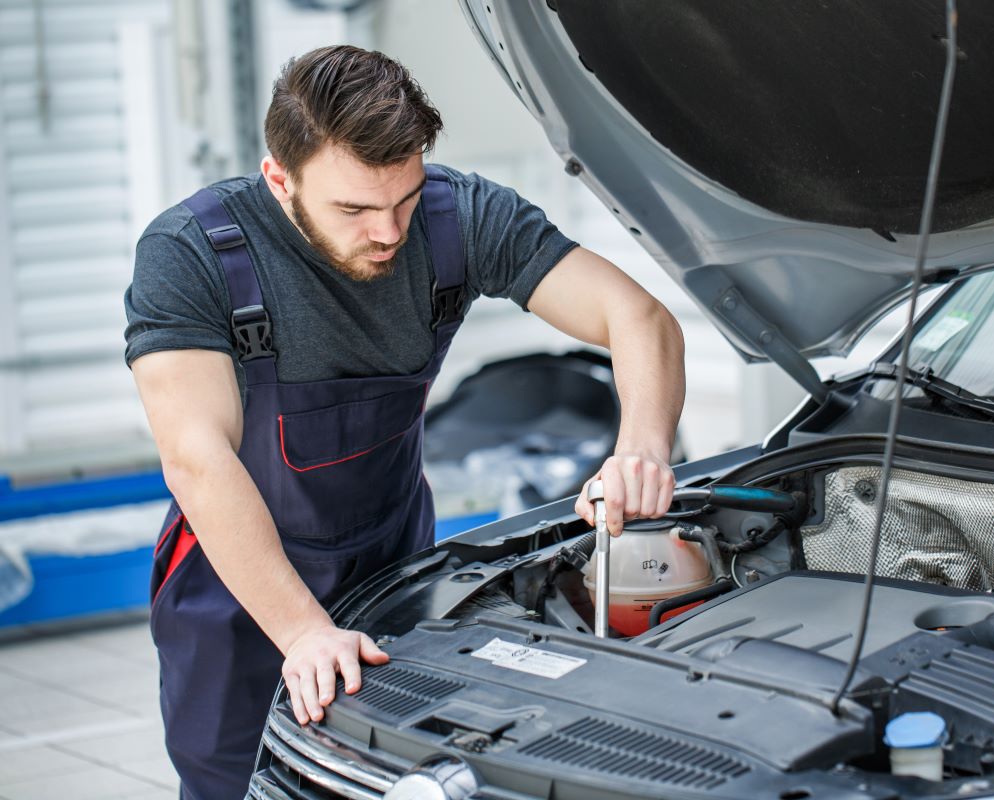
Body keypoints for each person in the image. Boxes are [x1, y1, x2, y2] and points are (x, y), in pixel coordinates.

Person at [123, 44, 684, 799]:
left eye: (405, 198)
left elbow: (638, 317)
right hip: (236, 592)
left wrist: (641, 450)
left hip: (392, 569)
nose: (388, 232)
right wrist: (302, 631)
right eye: (354, 209)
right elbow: (197, 458)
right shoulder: (192, 255)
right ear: (278, 179)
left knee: (399, 780)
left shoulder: (461, 217)